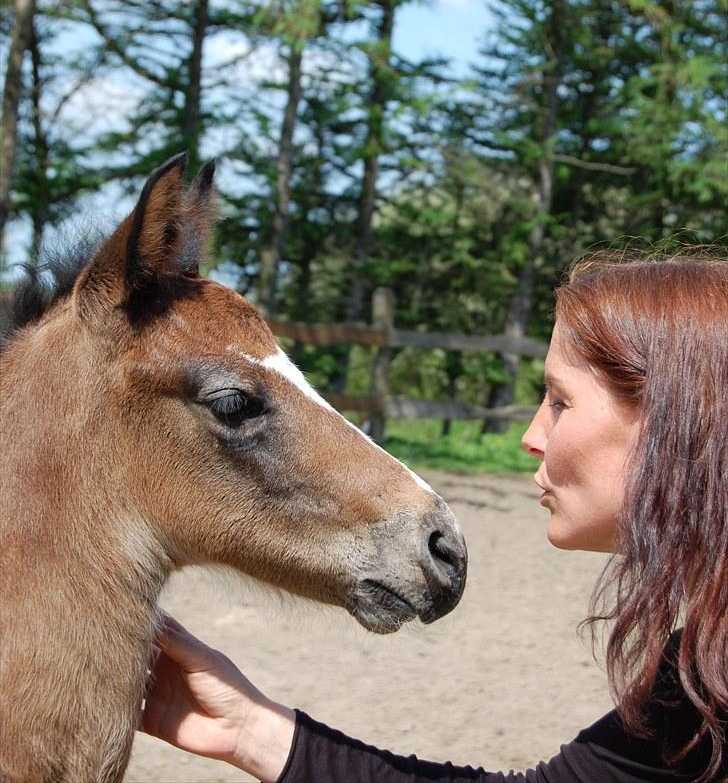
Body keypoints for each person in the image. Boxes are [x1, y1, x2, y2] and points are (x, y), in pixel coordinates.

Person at [141, 254, 728, 782]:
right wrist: (248, 729)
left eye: (559, 401)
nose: (531, 437)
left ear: (673, 417)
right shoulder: (707, 661)